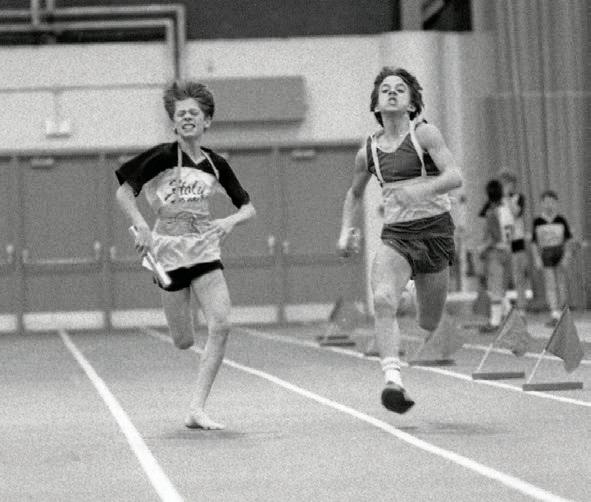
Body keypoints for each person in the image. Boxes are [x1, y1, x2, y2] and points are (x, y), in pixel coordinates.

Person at [115, 80, 256, 429]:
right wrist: (141, 226)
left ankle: (197, 409)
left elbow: (248, 207)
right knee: (183, 340)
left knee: (221, 324)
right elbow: (124, 192)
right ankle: (180, 317)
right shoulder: (161, 157)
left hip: (205, 248)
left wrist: (230, 221)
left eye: (194, 113)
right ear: (174, 123)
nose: (187, 118)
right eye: (181, 114)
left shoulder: (215, 164)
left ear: (207, 121)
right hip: (167, 252)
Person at [337, 67, 462, 414]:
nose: (392, 92)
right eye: (386, 89)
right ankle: (393, 380)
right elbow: (354, 193)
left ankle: (408, 291)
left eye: (400, 89)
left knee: (428, 322)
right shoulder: (368, 151)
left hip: (435, 233)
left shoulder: (424, 135)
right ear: (376, 104)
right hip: (397, 235)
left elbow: (455, 176)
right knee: (381, 299)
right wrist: (345, 231)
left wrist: (422, 190)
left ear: (411, 104)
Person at [531, 190, 572, 327]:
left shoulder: (561, 220)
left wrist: (566, 255)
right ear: (542, 204)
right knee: (550, 284)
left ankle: (562, 311)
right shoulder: (538, 221)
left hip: (559, 252)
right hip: (546, 254)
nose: (549, 205)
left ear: (556, 203)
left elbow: (568, 240)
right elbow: (534, 242)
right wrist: (537, 258)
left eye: (552, 202)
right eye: (546, 202)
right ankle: (554, 313)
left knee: (561, 283)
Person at [478, 179, 514, 333]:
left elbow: (494, 237)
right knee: (502, 288)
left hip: (495, 252)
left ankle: (495, 321)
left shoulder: (492, 213)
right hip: (507, 251)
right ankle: (512, 317)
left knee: (495, 289)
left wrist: (482, 248)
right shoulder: (507, 210)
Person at [499, 171, 528, 314]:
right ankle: (503, 308)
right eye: (503, 183)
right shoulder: (496, 201)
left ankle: (521, 308)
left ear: (513, 184)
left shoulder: (519, 198)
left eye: (508, 183)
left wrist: (507, 198)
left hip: (517, 241)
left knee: (518, 276)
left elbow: (516, 213)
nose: (506, 186)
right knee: (502, 277)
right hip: (502, 242)